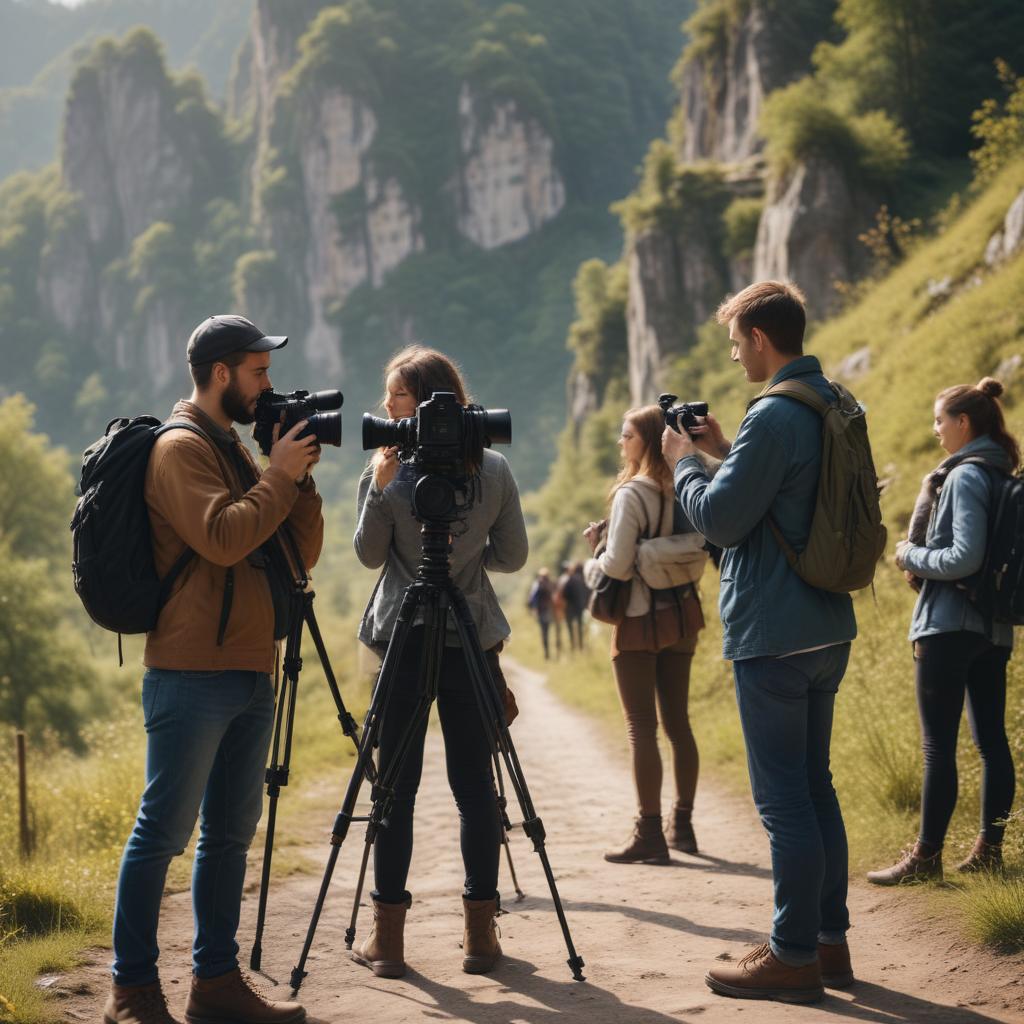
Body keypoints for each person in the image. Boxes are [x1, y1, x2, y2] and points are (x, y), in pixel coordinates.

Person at [106, 315, 323, 1024]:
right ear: (222, 373)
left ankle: (216, 985)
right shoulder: (180, 449)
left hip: (248, 668)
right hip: (190, 672)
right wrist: (277, 479)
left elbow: (299, 554)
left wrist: (299, 483)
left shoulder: (234, 448)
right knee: (163, 833)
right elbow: (225, 540)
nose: (270, 386)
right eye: (259, 373)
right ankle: (132, 990)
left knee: (230, 833)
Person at [665, 281, 858, 1004]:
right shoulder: (826, 400)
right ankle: (829, 942)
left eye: (736, 341)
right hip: (825, 623)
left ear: (760, 339)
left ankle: (791, 954)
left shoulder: (773, 414)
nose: (734, 353)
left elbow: (719, 520)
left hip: (773, 632)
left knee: (784, 803)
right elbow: (775, 498)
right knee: (816, 787)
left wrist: (684, 460)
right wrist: (721, 448)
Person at [352, 345, 528, 979]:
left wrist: (380, 488)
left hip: (403, 637)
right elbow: (511, 558)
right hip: (469, 637)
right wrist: (468, 553)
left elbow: (371, 557)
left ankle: (388, 942)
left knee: (394, 788)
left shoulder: (388, 470)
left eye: (396, 396)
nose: (387, 407)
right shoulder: (495, 467)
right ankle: (481, 940)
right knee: (475, 789)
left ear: (423, 402)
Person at [868, 378, 1018, 885]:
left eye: (939, 420)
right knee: (992, 743)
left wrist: (909, 555)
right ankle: (988, 851)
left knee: (939, 747)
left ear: (964, 423)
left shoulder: (964, 477)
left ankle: (925, 859)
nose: (935, 430)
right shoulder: (1001, 475)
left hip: (949, 627)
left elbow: (963, 557)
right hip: (995, 629)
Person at [584, 404, 706, 864]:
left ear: (647, 441)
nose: (621, 443)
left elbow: (615, 564)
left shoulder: (631, 494)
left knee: (641, 729)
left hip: (638, 617)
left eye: (627, 436)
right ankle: (685, 824)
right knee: (679, 724)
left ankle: (650, 833)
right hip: (682, 612)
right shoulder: (685, 483)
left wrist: (592, 557)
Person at [527, 567, 556, 658]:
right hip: (549, 610)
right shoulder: (551, 584)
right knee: (547, 631)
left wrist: (531, 607)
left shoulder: (538, 584)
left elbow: (532, 598)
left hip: (541, 611)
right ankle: (548, 653)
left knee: (544, 632)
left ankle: (546, 653)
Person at [561, 562, 589, 651]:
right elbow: (589, 593)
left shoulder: (571, 579)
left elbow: (564, 593)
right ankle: (581, 646)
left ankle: (572, 646)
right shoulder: (584, 580)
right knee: (580, 627)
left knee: (570, 628)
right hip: (581, 607)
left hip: (570, 607)